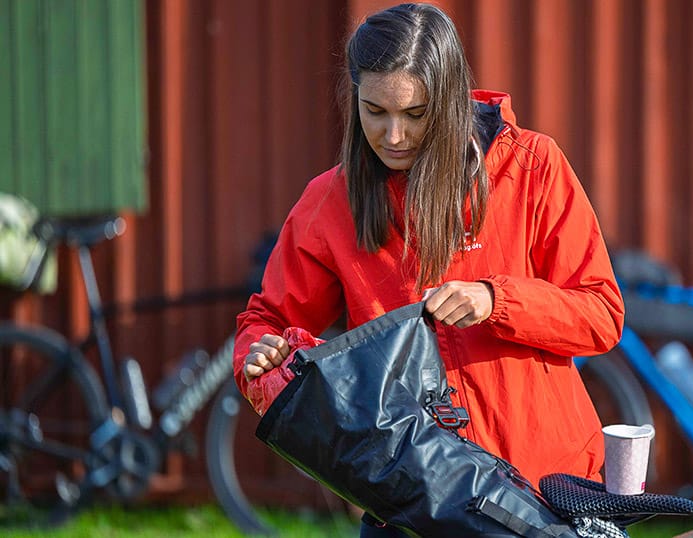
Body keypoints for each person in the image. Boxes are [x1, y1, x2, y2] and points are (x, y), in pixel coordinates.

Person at [234, 3, 624, 536]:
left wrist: (497, 300)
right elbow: (265, 323)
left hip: (544, 491)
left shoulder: (532, 165)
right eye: (375, 112)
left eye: (415, 114)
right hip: (411, 503)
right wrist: (264, 363)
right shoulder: (329, 201)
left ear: (450, 97)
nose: (393, 135)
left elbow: (601, 314)